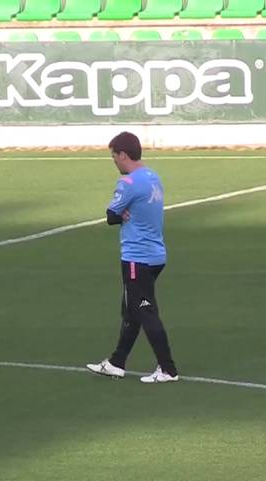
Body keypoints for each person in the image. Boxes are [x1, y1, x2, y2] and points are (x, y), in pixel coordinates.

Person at [86, 132, 179, 384]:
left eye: (114, 156)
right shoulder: (153, 177)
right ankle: (117, 362)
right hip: (157, 255)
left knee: (145, 310)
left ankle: (168, 369)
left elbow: (110, 215)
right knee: (131, 311)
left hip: (137, 257)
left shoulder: (128, 183)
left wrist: (121, 213)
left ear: (123, 155)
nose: (113, 161)